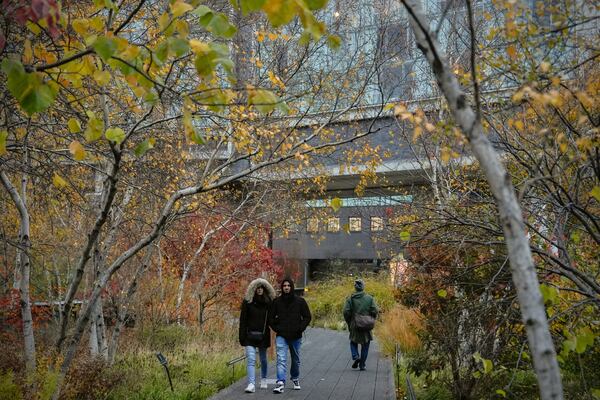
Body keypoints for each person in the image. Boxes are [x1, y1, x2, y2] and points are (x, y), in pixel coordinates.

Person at [269, 278, 311, 394]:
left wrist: (300, 328)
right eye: (284, 286)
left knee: (296, 360)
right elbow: (271, 319)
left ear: (291, 287)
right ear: (282, 288)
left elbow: (307, 317)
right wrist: (277, 328)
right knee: (281, 359)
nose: (286, 287)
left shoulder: (300, 302)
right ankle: (280, 382)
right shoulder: (276, 302)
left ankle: (295, 378)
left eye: (288, 285)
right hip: (281, 335)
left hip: (296, 336)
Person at [239, 278, 276, 393]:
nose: (259, 290)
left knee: (263, 359)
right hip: (249, 335)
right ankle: (251, 384)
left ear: (265, 289)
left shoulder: (269, 303)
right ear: (254, 289)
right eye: (257, 288)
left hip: (263, 335)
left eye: (262, 288)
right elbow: (243, 320)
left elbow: (273, 319)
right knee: (251, 359)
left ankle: (264, 379)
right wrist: (242, 336)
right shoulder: (247, 302)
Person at [343, 278, 378, 371]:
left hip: (355, 324)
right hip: (366, 325)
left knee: (353, 341)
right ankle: (362, 365)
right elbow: (375, 310)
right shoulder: (370, 298)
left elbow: (346, 312)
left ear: (355, 288)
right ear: (363, 287)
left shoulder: (350, 299)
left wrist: (349, 321)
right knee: (365, 345)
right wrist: (371, 318)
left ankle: (355, 356)